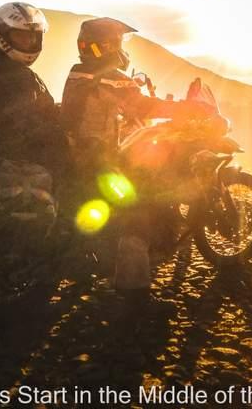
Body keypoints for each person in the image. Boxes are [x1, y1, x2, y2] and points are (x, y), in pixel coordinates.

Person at [60, 17, 209, 322]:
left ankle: (95, 261)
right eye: (119, 42)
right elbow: (144, 106)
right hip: (98, 163)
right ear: (107, 46)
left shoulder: (78, 73)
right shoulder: (108, 77)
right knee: (140, 213)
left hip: (77, 159)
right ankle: (135, 299)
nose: (122, 49)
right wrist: (189, 109)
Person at [0, 2, 68, 182]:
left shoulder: (1, 67)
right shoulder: (10, 76)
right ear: (2, 35)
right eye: (21, 37)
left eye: (34, 38)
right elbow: (24, 122)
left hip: (16, 155)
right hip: (23, 159)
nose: (29, 43)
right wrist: (63, 136)